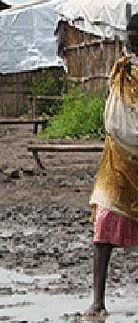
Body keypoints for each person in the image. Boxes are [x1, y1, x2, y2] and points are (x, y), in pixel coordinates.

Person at [84, 50, 138, 317]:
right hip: (117, 159)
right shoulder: (123, 70)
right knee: (104, 224)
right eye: (132, 37)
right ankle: (98, 300)